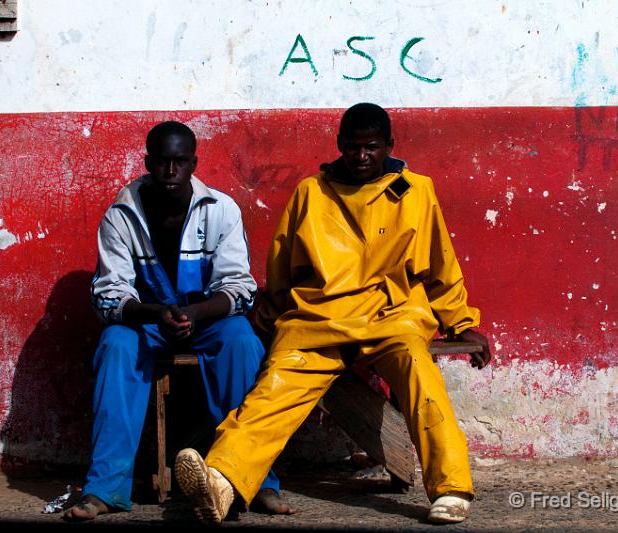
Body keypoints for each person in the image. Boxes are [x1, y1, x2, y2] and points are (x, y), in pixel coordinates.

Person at [175, 103, 492, 525]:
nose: (362, 156)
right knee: (275, 389)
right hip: (318, 319)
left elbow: (441, 265)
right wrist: (265, 319)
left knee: (421, 375)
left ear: (389, 147)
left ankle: (451, 488)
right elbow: (282, 267)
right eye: (354, 147)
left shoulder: (416, 192)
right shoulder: (311, 193)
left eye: (372, 148)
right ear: (340, 146)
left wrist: (462, 320)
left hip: (392, 316)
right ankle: (221, 480)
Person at [63, 121, 293, 521]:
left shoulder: (220, 210)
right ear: (148, 162)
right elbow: (108, 296)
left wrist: (195, 314)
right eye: (163, 162)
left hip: (206, 322)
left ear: (193, 163)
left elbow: (239, 288)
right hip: (147, 323)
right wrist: (157, 313)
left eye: (180, 162)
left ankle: (255, 482)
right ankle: (106, 489)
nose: (171, 171)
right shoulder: (122, 215)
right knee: (115, 345)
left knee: (242, 342)